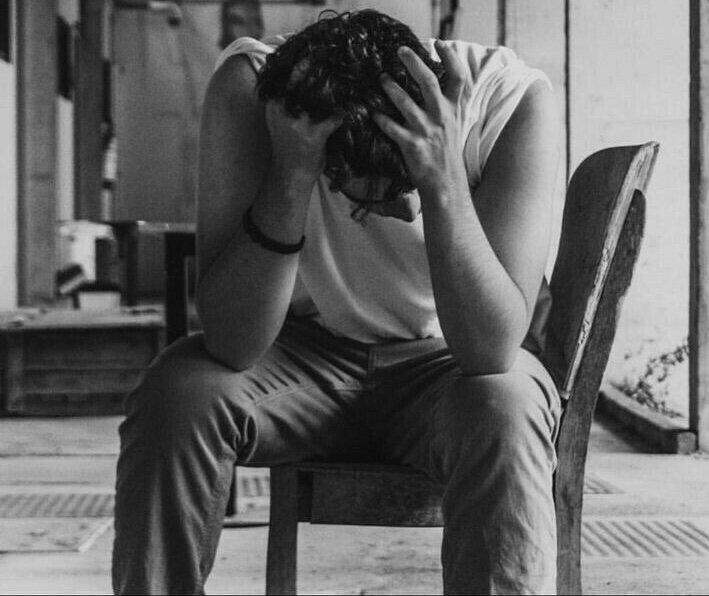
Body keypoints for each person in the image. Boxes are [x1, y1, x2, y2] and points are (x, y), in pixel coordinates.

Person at [112, 9, 561, 595]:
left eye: (395, 193)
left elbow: (491, 350)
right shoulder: (254, 89)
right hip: (297, 357)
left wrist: (441, 177)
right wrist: (292, 175)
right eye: (355, 196)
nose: (387, 214)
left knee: (506, 408)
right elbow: (231, 343)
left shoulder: (509, 100)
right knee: (178, 393)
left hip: (450, 364)